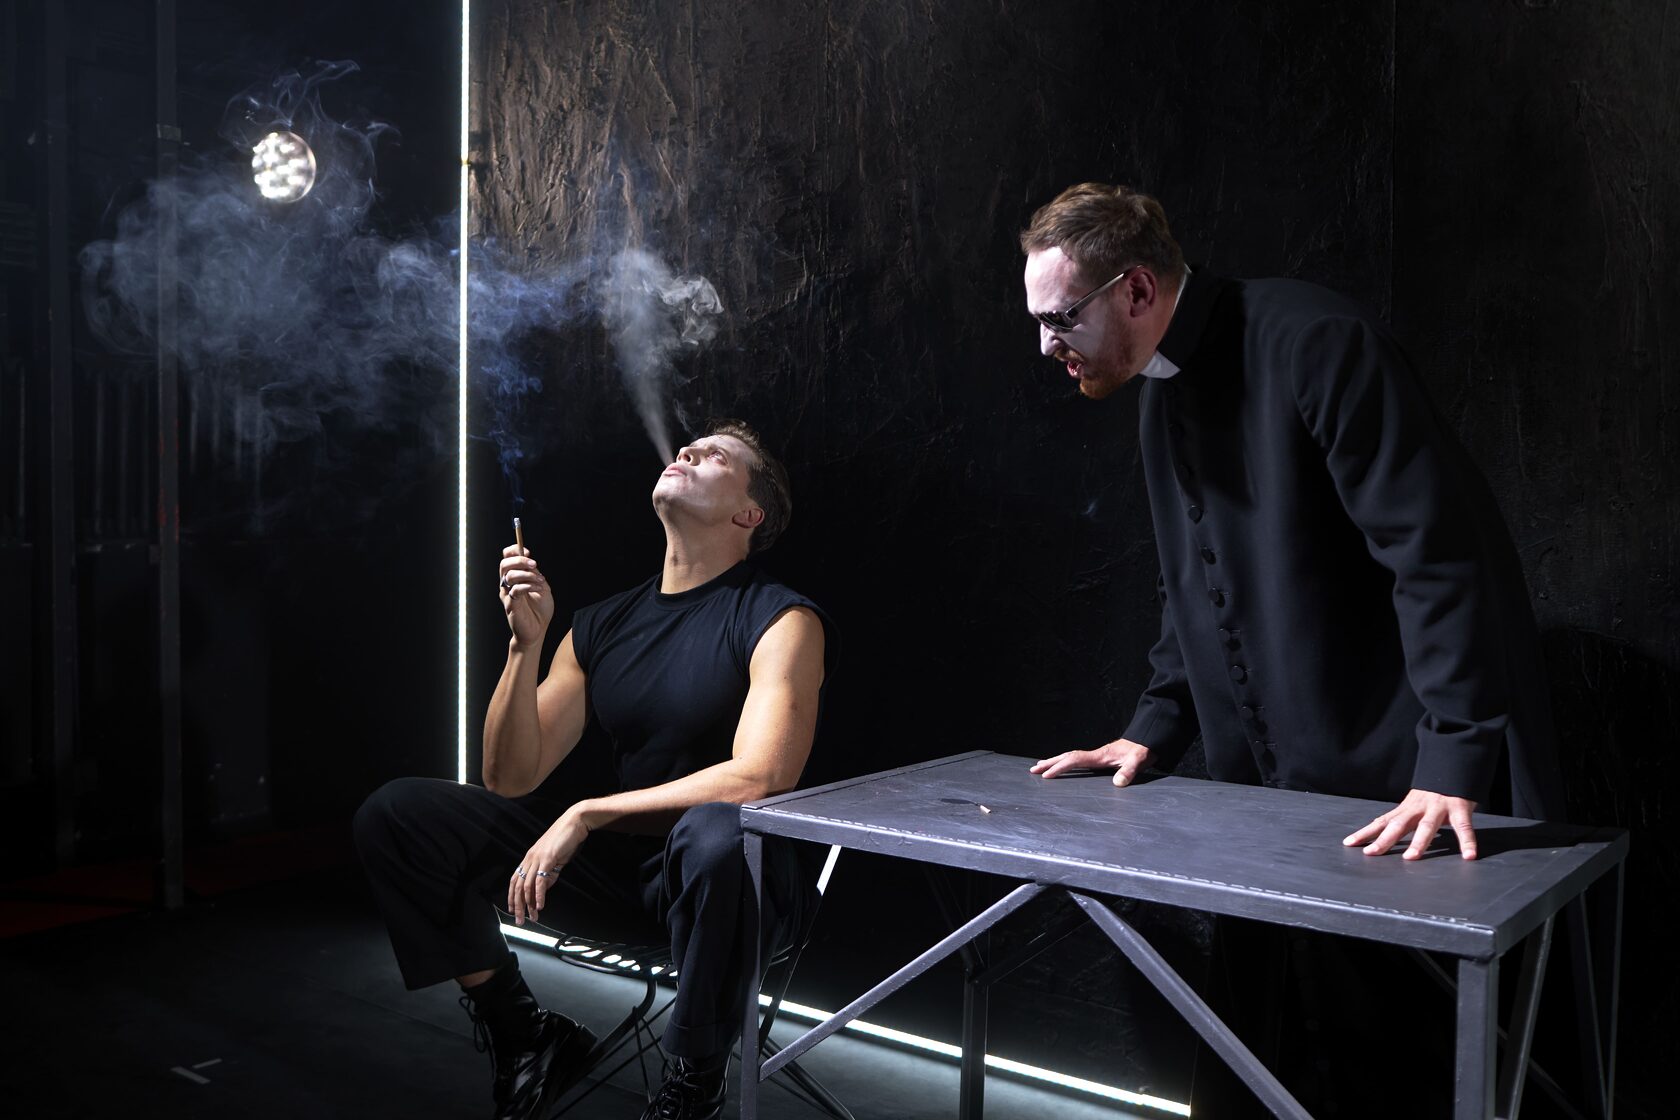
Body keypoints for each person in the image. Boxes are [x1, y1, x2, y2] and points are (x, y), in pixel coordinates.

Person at [1018, 183, 1565, 1112]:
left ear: (1137, 289)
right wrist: (1154, 726)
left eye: (1061, 318)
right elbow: (1192, 584)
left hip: (1393, 778)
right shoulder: (1160, 392)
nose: (1046, 346)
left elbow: (1438, 555)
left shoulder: (1315, 342)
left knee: (1403, 1060)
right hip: (1268, 797)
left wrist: (1452, 757)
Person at [354, 418, 832, 1120]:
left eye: (716, 457)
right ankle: (525, 1034)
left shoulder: (780, 619)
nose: (687, 451)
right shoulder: (600, 625)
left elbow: (761, 777)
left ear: (748, 514)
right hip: (625, 876)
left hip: (735, 885)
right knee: (401, 814)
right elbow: (510, 776)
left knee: (718, 833)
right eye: (689, 446)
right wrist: (525, 646)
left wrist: (586, 812)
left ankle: (694, 1079)